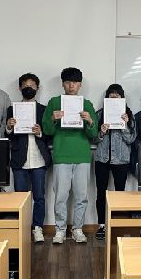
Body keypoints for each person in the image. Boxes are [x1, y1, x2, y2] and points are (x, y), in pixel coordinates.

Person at [42, 67, 98, 245]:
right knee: (60, 195)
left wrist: (90, 121)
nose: (71, 85)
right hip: (61, 154)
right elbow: (46, 130)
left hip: (82, 155)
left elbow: (93, 133)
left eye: (74, 82)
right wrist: (52, 119)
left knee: (81, 196)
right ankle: (60, 229)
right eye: (67, 82)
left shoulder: (86, 104)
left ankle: (77, 229)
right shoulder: (54, 102)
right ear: (62, 84)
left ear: (80, 85)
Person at [5, 73, 52, 244]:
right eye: (25, 85)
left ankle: (37, 227)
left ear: (37, 88)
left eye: (32, 85)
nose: (28, 88)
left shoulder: (44, 110)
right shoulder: (12, 109)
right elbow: (7, 135)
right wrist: (9, 127)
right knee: (21, 197)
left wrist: (40, 132)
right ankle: (23, 229)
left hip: (39, 158)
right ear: (20, 88)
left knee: (39, 196)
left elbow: (49, 134)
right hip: (19, 159)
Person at [94, 84, 136, 240]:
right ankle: (102, 225)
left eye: (117, 95)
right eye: (111, 95)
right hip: (102, 158)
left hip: (121, 159)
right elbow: (93, 138)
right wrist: (101, 132)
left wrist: (125, 125)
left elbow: (131, 139)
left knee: (120, 193)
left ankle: (118, 225)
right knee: (101, 192)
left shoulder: (129, 115)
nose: (113, 97)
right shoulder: (99, 114)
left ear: (122, 98)